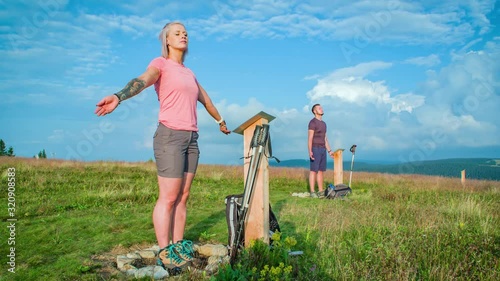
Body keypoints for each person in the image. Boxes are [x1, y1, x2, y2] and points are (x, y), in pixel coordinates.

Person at [94, 21, 231, 271]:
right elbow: (142, 80)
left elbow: (207, 101)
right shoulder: (160, 64)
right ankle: (164, 251)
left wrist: (220, 121)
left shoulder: (189, 73)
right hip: (170, 136)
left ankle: (178, 246)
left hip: (192, 139)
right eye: (177, 33)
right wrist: (118, 96)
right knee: (168, 197)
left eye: (185, 33)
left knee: (183, 197)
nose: (183, 35)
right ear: (167, 40)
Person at [308, 104, 334, 198]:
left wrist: (330, 151)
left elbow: (325, 138)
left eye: (322, 108)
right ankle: (312, 192)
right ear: (315, 111)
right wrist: (310, 151)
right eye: (319, 108)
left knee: (321, 171)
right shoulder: (312, 122)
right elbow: (310, 138)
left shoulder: (324, 124)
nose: (321, 109)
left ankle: (320, 191)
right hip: (315, 148)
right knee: (313, 170)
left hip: (323, 149)